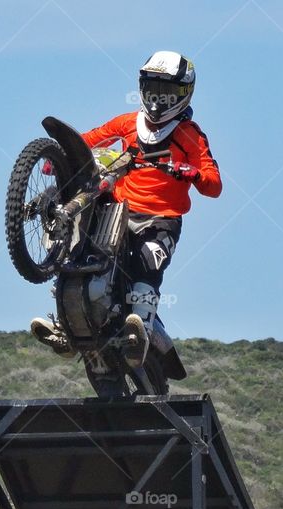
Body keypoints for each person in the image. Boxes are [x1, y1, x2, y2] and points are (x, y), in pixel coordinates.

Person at [30, 50, 221, 368]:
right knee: (80, 250)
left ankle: (142, 329)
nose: (159, 100)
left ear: (184, 93)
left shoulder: (190, 135)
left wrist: (189, 172)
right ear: (142, 88)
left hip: (161, 219)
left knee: (149, 260)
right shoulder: (126, 122)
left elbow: (214, 184)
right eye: (153, 90)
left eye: (167, 92)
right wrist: (58, 159)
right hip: (117, 211)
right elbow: (87, 141)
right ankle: (66, 324)